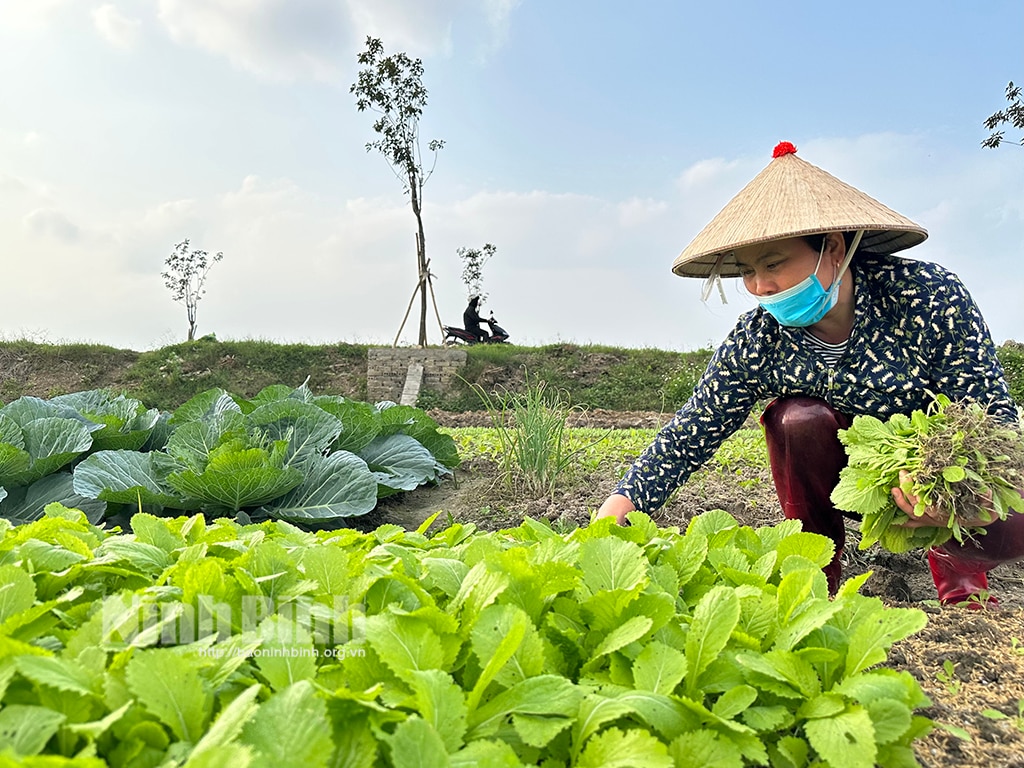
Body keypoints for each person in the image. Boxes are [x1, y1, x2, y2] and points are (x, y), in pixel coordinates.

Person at [595, 140, 1024, 608]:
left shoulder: (924, 296)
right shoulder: (760, 339)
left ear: (833, 248)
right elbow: (694, 428)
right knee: (796, 418)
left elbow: (987, 412)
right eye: (749, 271)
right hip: (846, 477)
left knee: (1012, 514)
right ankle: (817, 571)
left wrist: (956, 487)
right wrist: (626, 500)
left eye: (774, 263)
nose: (761, 286)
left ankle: (958, 566)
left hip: (934, 470)